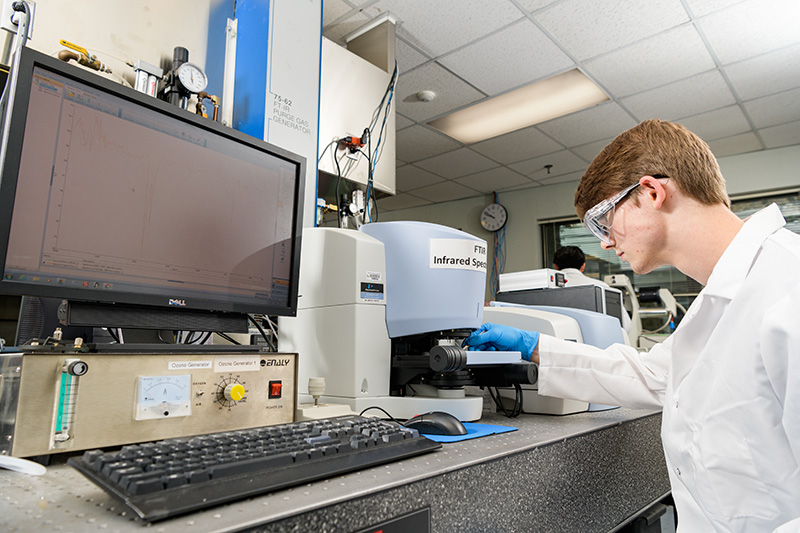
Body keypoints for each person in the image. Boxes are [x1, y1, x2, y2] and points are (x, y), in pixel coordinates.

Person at [464, 119, 800, 532]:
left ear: (652, 192)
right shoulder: (721, 298)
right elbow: (653, 374)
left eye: (603, 221)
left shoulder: (788, 289)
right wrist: (535, 346)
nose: (604, 242)